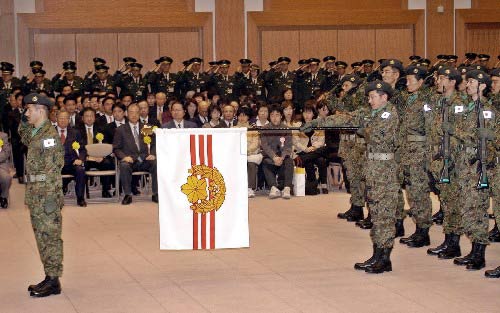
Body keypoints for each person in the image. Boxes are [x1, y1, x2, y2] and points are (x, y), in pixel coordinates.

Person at [302, 81, 400, 274]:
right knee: (376, 211)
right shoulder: (370, 112)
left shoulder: (390, 114)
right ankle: (377, 253)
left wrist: (361, 128)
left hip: (385, 169)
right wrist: (316, 123)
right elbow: (345, 118)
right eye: (369, 97)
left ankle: (385, 258)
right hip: (373, 168)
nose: (369, 100)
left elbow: (379, 136)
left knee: (384, 213)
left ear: (384, 97)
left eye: (373, 97)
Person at [19, 93, 64, 297]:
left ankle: (54, 281)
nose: (26, 112)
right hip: (36, 194)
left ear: (40, 110)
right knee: (41, 237)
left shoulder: (49, 136)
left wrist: (50, 199)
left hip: (46, 196)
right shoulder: (36, 131)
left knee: (50, 237)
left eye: (28, 110)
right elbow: (24, 135)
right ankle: (49, 276)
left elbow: (53, 170)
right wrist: (23, 119)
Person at [398, 66, 433, 248]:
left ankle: (423, 230)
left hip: (419, 151)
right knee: (412, 193)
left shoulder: (426, 100)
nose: (407, 82)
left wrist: (429, 154)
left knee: (420, 193)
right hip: (407, 150)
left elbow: (431, 128)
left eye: (411, 80)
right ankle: (418, 229)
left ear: (420, 81)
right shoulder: (408, 98)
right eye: (407, 79)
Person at [113, 103, 158, 204]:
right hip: (130, 160)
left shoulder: (146, 127)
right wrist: (124, 157)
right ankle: (128, 195)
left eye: (136, 112)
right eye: (131, 112)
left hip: (145, 159)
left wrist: (153, 154)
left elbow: (154, 144)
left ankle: (155, 194)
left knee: (156, 163)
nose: (134, 115)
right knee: (124, 165)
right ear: (126, 114)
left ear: (140, 113)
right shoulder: (121, 129)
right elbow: (116, 148)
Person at [261, 104, 294, 199]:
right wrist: (274, 157)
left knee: (289, 161)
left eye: (277, 115)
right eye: (272, 115)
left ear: (281, 116)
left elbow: (288, 147)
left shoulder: (287, 129)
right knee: (265, 162)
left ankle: (287, 188)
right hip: (271, 156)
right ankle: (273, 187)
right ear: (269, 116)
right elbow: (265, 146)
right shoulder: (264, 129)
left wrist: (282, 157)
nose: (275, 118)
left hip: (282, 156)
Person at [293, 103, 327, 194]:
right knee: (314, 160)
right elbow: (295, 141)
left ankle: (323, 184)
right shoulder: (297, 125)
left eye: (309, 112)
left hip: (314, 151)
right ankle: (312, 186)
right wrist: (305, 148)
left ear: (313, 114)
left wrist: (313, 147)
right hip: (302, 151)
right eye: (305, 112)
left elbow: (321, 141)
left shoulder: (318, 125)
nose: (307, 115)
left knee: (321, 158)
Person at [57, 110, 87, 207]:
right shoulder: (49, 132)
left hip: (72, 162)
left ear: (69, 120)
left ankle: (80, 198)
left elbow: (82, 149)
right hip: (55, 164)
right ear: (56, 119)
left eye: (65, 118)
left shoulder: (75, 132)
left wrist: (80, 159)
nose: (63, 120)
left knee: (80, 170)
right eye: (60, 118)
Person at [0, 131, 12, 208]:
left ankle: (3, 197)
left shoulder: (3, 136)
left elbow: (7, 152)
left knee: (6, 178)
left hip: (1, 163)